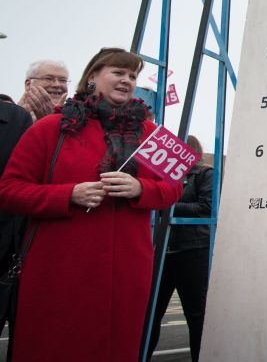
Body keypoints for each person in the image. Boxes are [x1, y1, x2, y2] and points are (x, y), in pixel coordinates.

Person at [0, 47, 184, 362]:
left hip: (126, 271)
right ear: (92, 77)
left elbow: (174, 188)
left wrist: (142, 188)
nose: (127, 80)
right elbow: (9, 190)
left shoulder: (153, 134)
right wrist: (67, 195)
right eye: (118, 72)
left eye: (132, 75)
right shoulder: (50, 128)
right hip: (59, 272)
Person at [148, 135, 214, 362]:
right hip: (164, 251)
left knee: (196, 316)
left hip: (193, 250)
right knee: (151, 314)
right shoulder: (164, 176)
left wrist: (168, 205)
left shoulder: (205, 174)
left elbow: (207, 207)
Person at [0, 99, 31, 343]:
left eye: (62, 81)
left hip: (33, 255)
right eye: (49, 79)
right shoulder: (16, 120)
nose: (57, 86)